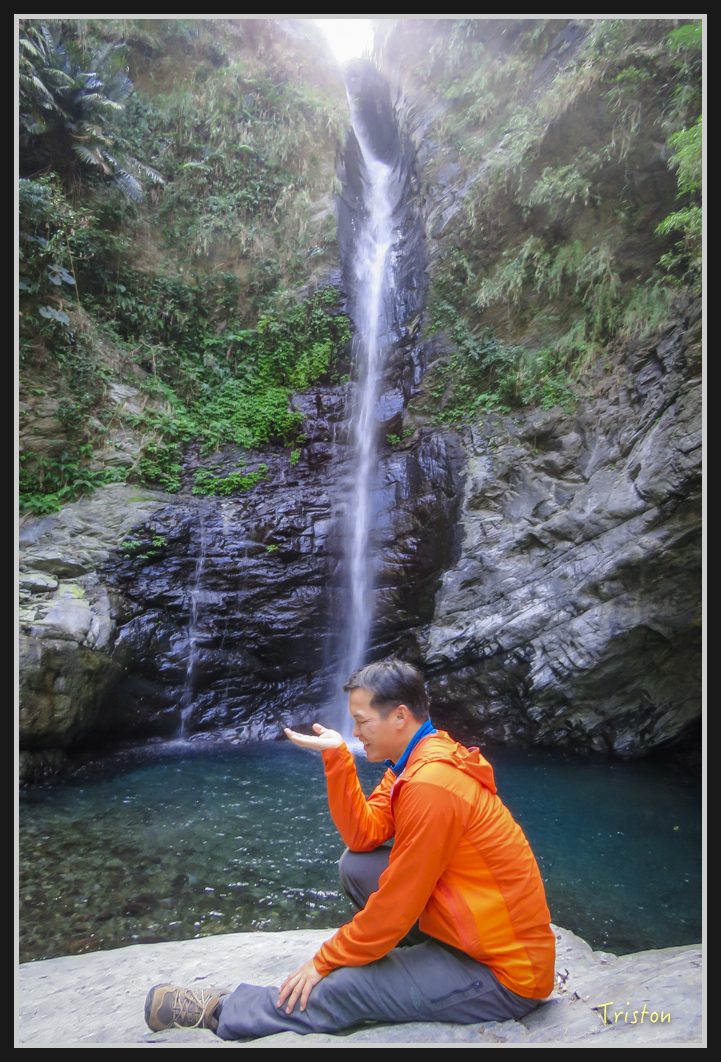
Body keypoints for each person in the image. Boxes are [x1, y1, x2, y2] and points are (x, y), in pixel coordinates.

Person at [144, 659, 555, 1040]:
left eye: (361, 722)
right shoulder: (418, 759)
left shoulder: (432, 785)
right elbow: (363, 835)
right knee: (357, 866)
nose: (355, 731)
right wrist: (337, 757)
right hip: (467, 936)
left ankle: (224, 1011)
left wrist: (326, 960)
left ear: (400, 717)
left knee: (347, 986)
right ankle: (416, 964)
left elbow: (396, 905)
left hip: (504, 973)